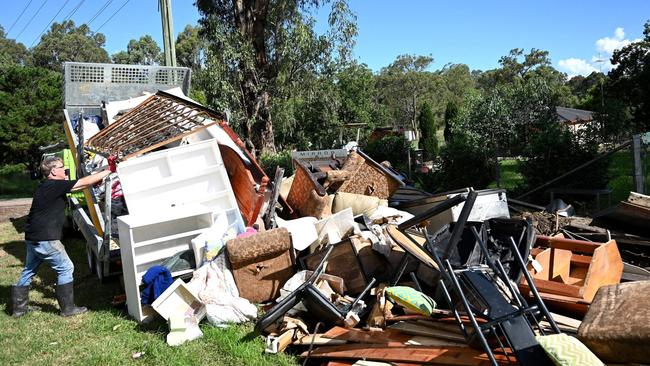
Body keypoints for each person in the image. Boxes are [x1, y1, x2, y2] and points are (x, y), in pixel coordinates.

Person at [10, 155, 115, 317]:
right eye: (62, 168)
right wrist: (110, 170)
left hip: (33, 237)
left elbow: (79, 187)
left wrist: (99, 175)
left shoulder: (46, 186)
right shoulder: (55, 185)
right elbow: (84, 183)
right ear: (53, 172)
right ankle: (68, 309)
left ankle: (18, 309)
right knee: (66, 268)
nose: (66, 171)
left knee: (29, 271)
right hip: (46, 238)